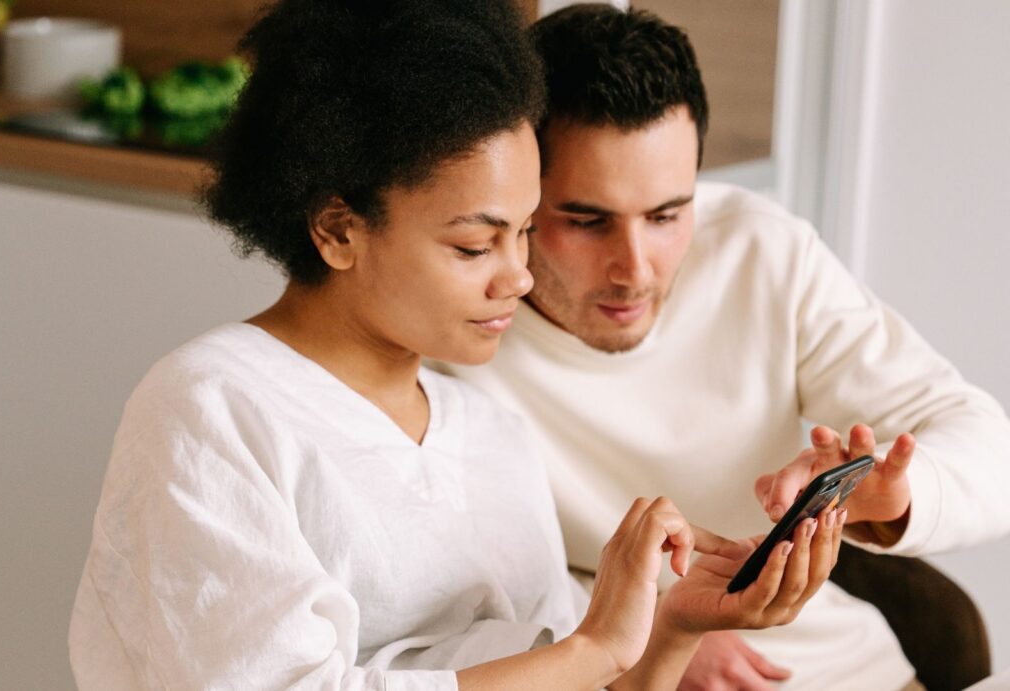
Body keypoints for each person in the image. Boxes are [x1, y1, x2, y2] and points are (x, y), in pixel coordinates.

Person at [67, 1, 843, 689]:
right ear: (338, 229)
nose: (518, 276)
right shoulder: (212, 409)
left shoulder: (491, 433)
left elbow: (575, 676)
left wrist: (666, 628)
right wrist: (598, 647)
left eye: (525, 232)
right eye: (475, 246)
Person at [437, 5, 1010, 691]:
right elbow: (443, 594)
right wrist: (652, 635)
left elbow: (988, 444)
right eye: (587, 221)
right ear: (523, 194)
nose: (635, 268)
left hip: (848, 671)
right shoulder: (450, 333)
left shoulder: (759, 251)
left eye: (666, 215)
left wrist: (895, 495)